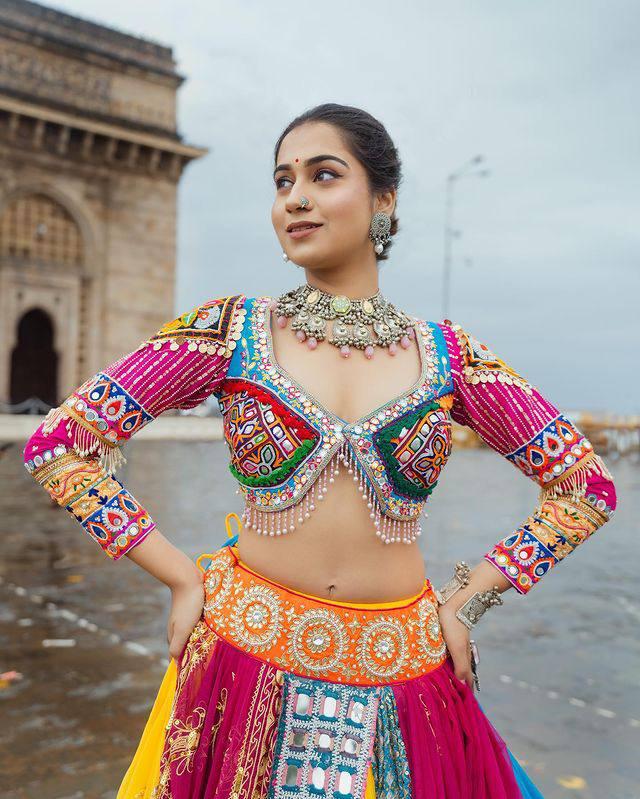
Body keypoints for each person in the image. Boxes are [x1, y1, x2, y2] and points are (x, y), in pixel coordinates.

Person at [23, 103, 616, 799]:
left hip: (407, 675)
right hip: (244, 664)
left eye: (323, 175)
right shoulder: (230, 331)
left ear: (384, 200)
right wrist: (181, 575)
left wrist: (468, 601)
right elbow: (61, 444)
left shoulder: (451, 357)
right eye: (282, 181)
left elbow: (586, 486)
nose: (295, 198)